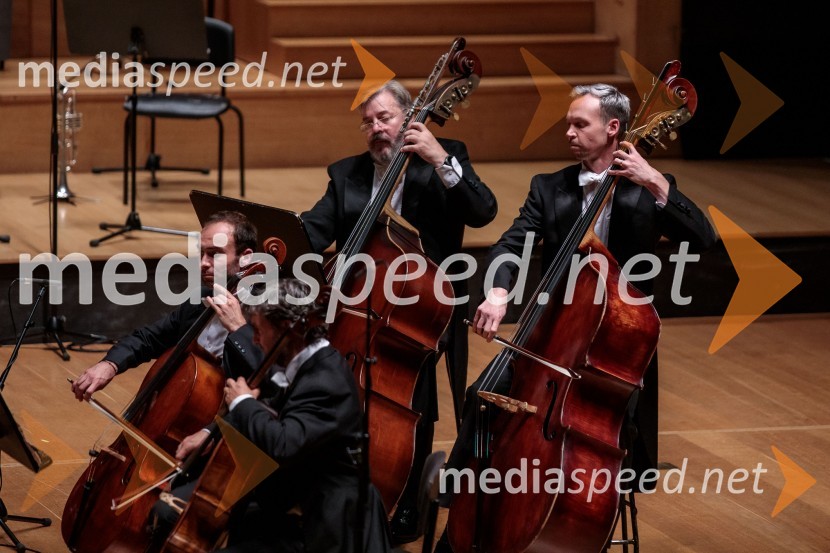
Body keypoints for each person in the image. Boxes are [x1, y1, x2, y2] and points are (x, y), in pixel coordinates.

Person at [437, 83, 716, 550]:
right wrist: (499, 291)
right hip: (551, 333)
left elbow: (704, 239)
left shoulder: (649, 187)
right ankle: (464, 521)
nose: (568, 131)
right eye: (568, 122)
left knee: (579, 437)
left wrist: (654, 181)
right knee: (481, 396)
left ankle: (565, 524)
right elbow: (511, 243)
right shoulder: (550, 187)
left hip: (612, 348)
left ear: (613, 129)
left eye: (579, 123)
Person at [301, 80, 497, 543]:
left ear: (410, 118)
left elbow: (483, 212)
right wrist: (271, 243)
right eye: (367, 121)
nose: (375, 128)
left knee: (414, 399)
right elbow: (314, 228)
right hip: (358, 309)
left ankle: (408, 504)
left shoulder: (446, 155)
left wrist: (438, 159)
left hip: (423, 309)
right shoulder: (346, 173)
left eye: (384, 118)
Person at [152, 278, 391, 553]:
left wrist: (241, 402)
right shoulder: (299, 363)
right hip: (287, 494)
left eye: (257, 330)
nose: (254, 339)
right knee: (171, 510)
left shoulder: (326, 380)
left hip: (323, 520)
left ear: (284, 331)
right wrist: (212, 430)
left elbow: (283, 444)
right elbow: (268, 406)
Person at [71, 210, 262, 401]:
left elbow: (271, 380)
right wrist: (110, 364)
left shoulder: (266, 313)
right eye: (201, 253)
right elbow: (149, 338)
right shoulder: (200, 300)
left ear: (245, 257)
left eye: (214, 254)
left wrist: (239, 329)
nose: (203, 263)